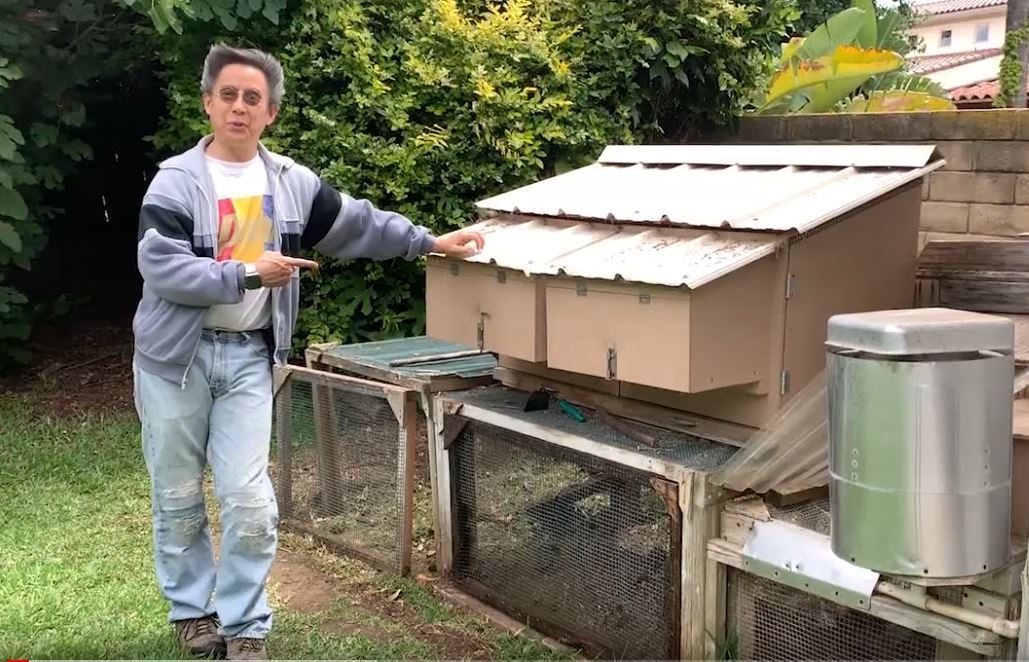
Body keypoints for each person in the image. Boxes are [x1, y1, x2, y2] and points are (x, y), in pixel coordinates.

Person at [131, 43, 484, 661]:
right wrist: (246, 275)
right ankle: (194, 612)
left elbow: (360, 225)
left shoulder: (292, 185)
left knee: (247, 496)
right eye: (229, 95)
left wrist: (430, 240)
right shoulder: (176, 182)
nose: (240, 107)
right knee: (178, 493)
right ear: (208, 103)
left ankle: (243, 629)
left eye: (254, 98)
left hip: (247, 358)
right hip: (173, 363)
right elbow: (161, 267)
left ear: (270, 113)